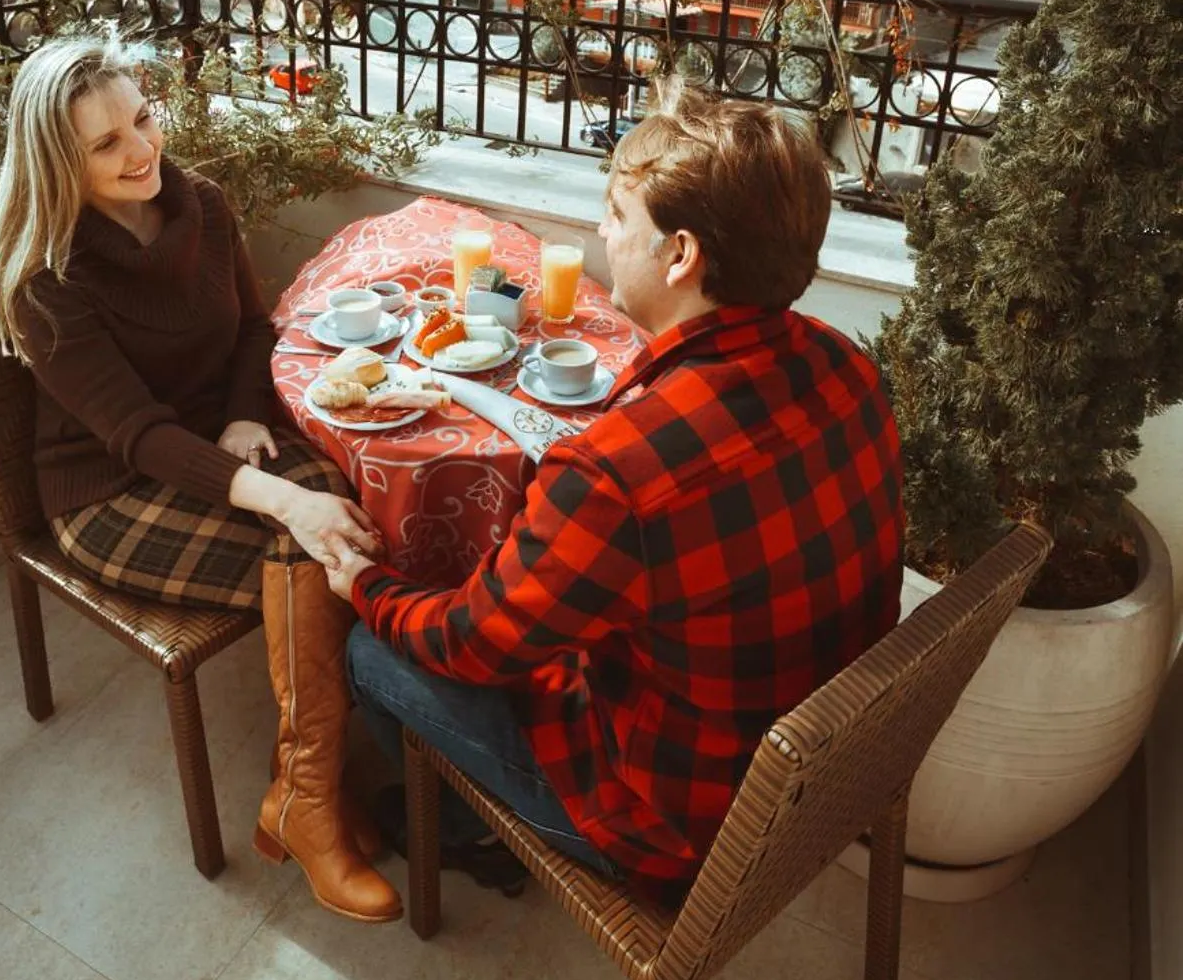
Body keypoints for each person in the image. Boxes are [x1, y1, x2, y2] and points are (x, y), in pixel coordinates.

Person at [323, 86, 906, 898]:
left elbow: (471, 644)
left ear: (679, 256)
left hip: (677, 834)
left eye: (615, 215)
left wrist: (364, 585)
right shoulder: (849, 368)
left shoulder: (615, 474)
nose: (601, 233)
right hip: (813, 778)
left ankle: (466, 832)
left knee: (371, 645)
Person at [0, 33, 400, 924]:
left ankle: (308, 786)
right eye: (105, 144)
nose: (142, 150)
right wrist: (284, 497)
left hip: (220, 442)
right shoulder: (45, 282)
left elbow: (252, 329)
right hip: (111, 493)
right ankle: (312, 798)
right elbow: (137, 437)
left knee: (351, 521)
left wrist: (246, 416)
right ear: (59, 163)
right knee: (313, 553)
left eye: (142, 118)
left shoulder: (199, 203)